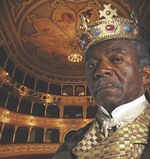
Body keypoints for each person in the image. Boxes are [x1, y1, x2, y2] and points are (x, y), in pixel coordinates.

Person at [52, 3, 150, 159]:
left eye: (116, 59)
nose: (99, 71)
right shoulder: (69, 145)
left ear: (146, 74)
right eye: (92, 64)